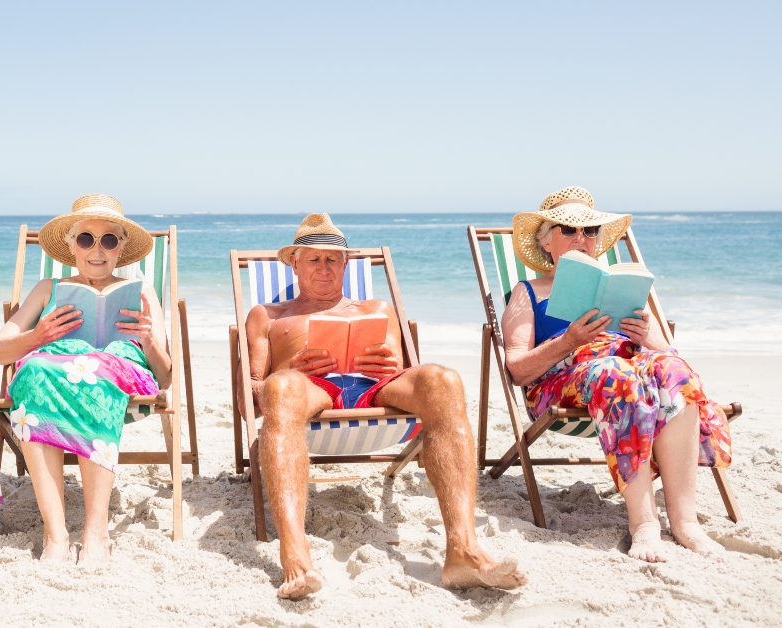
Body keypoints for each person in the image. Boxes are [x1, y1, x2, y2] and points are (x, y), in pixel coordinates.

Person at [245, 213, 527, 599]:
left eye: (333, 259)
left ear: (346, 264)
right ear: (294, 262)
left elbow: (404, 374)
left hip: (376, 390)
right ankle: (295, 550)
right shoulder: (269, 316)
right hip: (306, 394)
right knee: (279, 387)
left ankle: (463, 549)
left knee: (443, 380)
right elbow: (250, 398)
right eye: (313, 259)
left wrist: (391, 365)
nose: (324, 267)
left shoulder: (379, 309)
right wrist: (288, 369)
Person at [501, 186, 730, 562]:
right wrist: (569, 341)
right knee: (616, 375)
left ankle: (686, 523)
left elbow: (669, 354)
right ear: (545, 241)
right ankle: (645, 525)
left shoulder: (619, 288)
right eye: (568, 229)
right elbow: (517, 369)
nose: (582, 238)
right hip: (565, 381)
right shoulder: (528, 293)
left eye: (590, 231)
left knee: (674, 372)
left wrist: (645, 337)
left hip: (631, 370)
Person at [0, 194, 171, 565]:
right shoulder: (46, 289)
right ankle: (55, 534)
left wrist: (150, 342)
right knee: (36, 371)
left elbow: (165, 377)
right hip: (54, 380)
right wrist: (36, 337)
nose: (97, 249)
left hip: (116, 382)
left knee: (95, 373)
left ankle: (95, 531)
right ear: (71, 245)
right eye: (86, 238)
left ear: (121, 248)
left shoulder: (141, 293)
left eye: (109, 239)